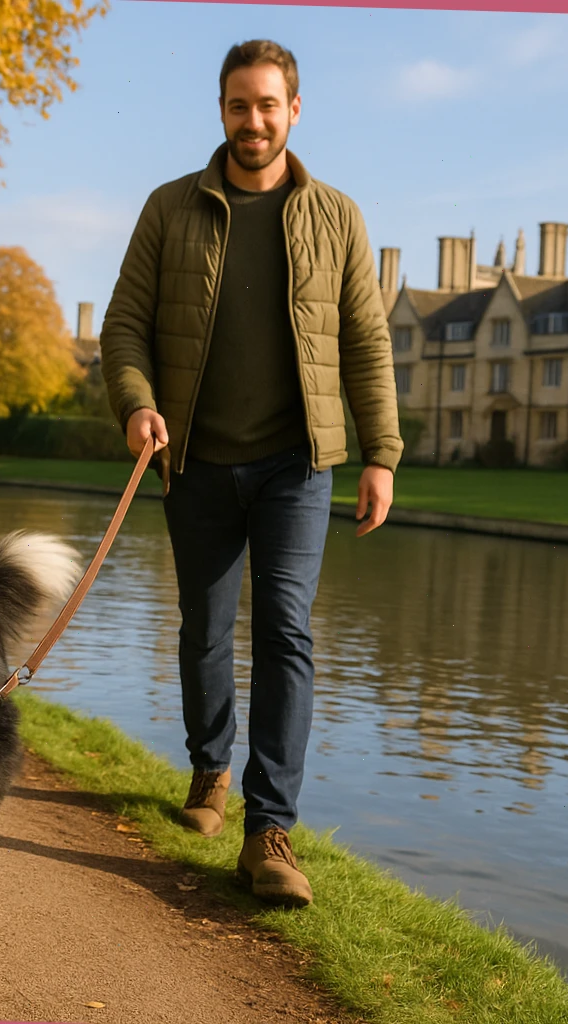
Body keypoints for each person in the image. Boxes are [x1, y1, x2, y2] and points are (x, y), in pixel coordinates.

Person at [98, 39, 401, 908]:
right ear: (222, 111)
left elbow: (366, 342)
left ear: (294, 110)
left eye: (269, 105)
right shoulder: (169, 210)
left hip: (298, 463)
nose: (254, 120)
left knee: (286, 631)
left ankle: (270, 830)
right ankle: (208, 774)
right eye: (240, 105)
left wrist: (380, 453)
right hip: (193, 458)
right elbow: (124, 327)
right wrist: (135, 404)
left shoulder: (337, 217)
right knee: (203, 625)